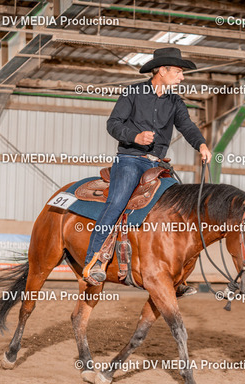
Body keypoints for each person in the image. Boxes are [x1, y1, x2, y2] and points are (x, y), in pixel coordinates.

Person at [83, 47, 212, 291]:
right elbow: (113, 124)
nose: (181, 77)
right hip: (130, 159)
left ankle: (177, 274)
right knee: (117, 203)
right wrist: (135, 137)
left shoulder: (175, 102)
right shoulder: (133, 93)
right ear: (162, 70)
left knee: (178, 208)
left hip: (158, 165)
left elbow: (187, 126)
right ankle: (94, 261)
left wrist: (202, 145)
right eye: (178, 71)